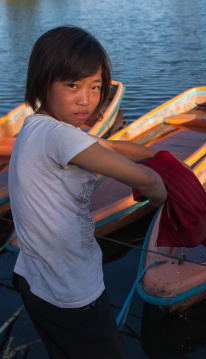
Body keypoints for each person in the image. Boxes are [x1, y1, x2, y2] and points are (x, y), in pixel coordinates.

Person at [9, 26, 167, 359]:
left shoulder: (36, 125)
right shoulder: (62, 137)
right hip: (70, 293)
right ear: (42, 81)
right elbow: (149, 181)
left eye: (96, 87)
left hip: (34, 279)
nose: (87, 99)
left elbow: (107, 145)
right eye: (72, 85)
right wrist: (161, 192)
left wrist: (155, 154)